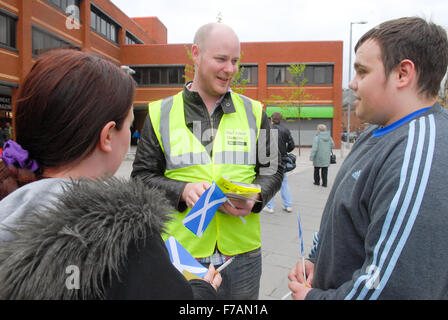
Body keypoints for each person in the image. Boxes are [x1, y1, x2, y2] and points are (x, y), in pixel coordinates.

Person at [0, 49, 221, 299]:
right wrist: (204, 291)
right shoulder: (126, 239)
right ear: (107, 136)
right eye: (128, 124)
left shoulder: (13, 201)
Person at [288, 17, 448, 299]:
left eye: (362, 71)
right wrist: (316, 258)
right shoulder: (378, 130)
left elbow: (391, 289)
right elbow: (347, 214)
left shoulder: (419, 154)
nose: (352, 84)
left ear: (402, 74)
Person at [131, 22, 283, 300]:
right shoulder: (159, 113)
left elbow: (273, 169)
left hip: (243, 255)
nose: (230, 69)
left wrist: (257, 196)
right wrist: (182, 191)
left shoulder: (255, 111)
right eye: (221, 59)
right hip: (182, 253)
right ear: (196, 53)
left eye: (235, 61)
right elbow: (141, 178)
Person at [263, 112, 295, 213]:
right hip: (282, 160)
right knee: (284, 182)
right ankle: (288, 205)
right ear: (280, 119)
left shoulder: (266, 129)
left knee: (268, 182)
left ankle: (270, 206)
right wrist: (285, 152)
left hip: (269, 159)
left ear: (271, 119)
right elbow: (291, 145)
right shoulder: (285, 130)